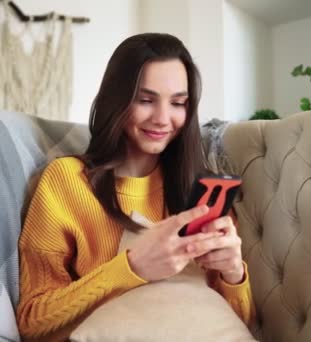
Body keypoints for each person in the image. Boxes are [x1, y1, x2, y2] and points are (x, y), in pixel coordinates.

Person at [16, 33, 255, 340]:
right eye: (145, 100)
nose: (163, 119)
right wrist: (131, 268)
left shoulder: (201, 191)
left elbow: (239, 324)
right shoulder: (66, 182)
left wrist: (234, 274)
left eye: (179, 103)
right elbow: (32, 323)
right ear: (116, 101)